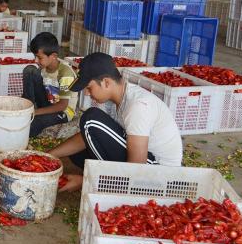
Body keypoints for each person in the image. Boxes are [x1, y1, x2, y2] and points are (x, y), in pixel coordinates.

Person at [49, 53, 183, 192]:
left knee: (90, 119)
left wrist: (86, 182)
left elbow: (137, 167)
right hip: (144, 165)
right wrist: (49, 156)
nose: (87, 94)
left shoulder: (138, 106)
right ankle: (110, 178)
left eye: (89, 88)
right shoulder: (111, 99)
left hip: (160, 176)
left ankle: (113, 184)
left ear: (106, 82)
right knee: (78, 153)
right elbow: (86, 137)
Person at [22, 32, 77, 138]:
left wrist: (36, 112)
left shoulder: (65, 73)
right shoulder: (43, 68)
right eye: (35, 56)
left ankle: (27, 121)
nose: (36, 60)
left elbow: (63, 105)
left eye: (39, 57)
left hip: (63, 111)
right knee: (30, 70)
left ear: (53, 56)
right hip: (48, 103)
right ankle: (27, 109)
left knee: (33, 123)